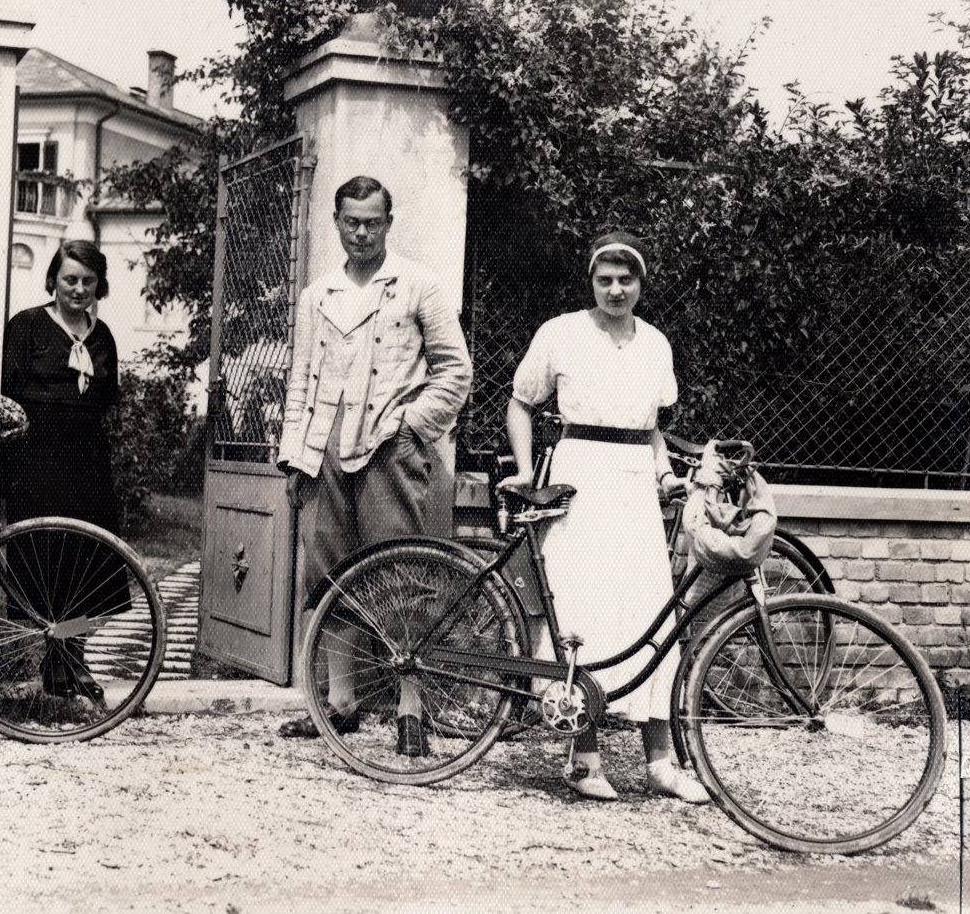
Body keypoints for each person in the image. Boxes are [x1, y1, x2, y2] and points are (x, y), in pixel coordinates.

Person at [498, 231, 709, 803]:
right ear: (590, 282)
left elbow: (650, 429)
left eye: (627, 279)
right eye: (604, 279)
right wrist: (523, 469)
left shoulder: (655, 344)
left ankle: (660, 761)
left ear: (641, 284)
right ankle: (583, 757)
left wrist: (665, 475)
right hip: (581, 477)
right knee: (583, 613)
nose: (616, 290)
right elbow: (521, 401)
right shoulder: (562, 333)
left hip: (636, 486)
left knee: (649, 613)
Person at [276, 175, 473, 756]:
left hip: (389, 448)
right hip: (324, 452)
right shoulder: (319, 294)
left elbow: (455, 372)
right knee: (332, 576)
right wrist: (295, 455)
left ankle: (411, 708)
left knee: (400, 577)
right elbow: (300, 380)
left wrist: (412, 427)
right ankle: (340, 703)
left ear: (389, 222)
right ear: (336, 222)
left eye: (373, 221)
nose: (361, 232)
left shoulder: (417, 286)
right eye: (351, 221)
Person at [0, 240, 125, 702]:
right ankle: (53, 660)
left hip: (87, 461)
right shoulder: (28, 326)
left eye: (88, 281)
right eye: (70, 279)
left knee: (87, 563)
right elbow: (7, 392)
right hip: (37, 462)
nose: (78, 288)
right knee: (47, 560)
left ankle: (74, 656)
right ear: (53, 279)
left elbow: (109, 395)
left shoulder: (102, 334)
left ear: (99, 286)